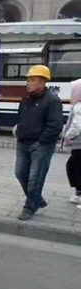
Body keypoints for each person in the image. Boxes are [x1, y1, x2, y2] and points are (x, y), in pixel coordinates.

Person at [14, 65, 63, 221]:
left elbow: (55, 125)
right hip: (23, 143)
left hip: (41, 146)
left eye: (32, 80)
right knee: (20, 173)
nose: (28, 83)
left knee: (35, 178)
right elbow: (21, 118)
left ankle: (29, 207)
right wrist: (19, 132)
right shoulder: (26, 99)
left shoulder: (52, 100)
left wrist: (41, 141)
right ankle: (37, 199)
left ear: (43, 82)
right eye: (28, 80)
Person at [63, 79, 81, 207]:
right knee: (73, 166)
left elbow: (77, 126)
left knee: (75, 167)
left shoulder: (79, 107)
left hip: (78, 144)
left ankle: (79, 193)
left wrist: (67, 136)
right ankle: (78, 192)